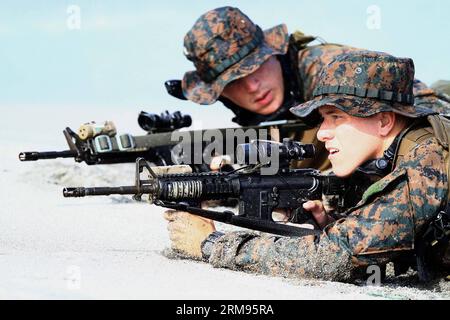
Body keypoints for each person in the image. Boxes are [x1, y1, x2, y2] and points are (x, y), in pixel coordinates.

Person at [164, 50, 450, 282]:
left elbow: (336, 256)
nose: (323, 133)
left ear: (384, 120)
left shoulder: (427, 158)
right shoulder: (407, 148)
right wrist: (334, 224)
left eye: (336, 117)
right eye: (323, 119)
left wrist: (213, 244)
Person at [177, 6, 450, 172]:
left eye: (256, 66)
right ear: (219, 93)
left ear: (273, 53)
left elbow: (431, 114)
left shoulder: (329, 70)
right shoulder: (255, 116)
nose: (252, 85)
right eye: (233, 82)